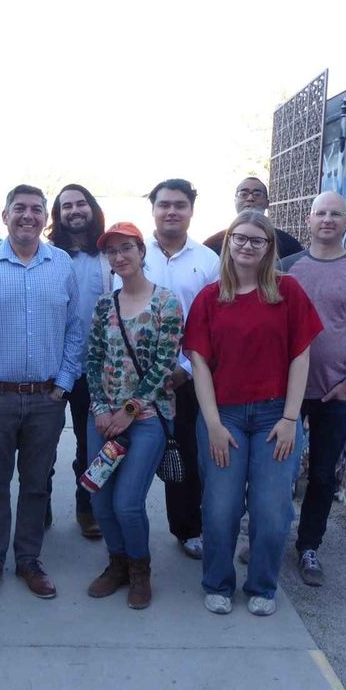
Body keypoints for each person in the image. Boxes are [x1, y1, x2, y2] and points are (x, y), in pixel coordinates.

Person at [186, 210, 323, 617]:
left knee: (271, 508)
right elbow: (198, 363)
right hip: (223, 416)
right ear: (228, 244)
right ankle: (218, 583)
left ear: (268, 248)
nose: (246, 246)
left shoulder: (288, 292)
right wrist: (211, 422)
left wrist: (290, 419)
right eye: (239, 239)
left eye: (256, 240)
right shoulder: (209, 298)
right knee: (221, 506)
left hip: (274, 418)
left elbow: (301, 356)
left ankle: (262, 585)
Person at [0, 184, 81, 602]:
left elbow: (75, 331)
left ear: (46, 217)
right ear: (5, 214)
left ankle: (28, 560)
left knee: (36, 485)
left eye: (36, 209)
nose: (28, 216)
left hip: (46, 399)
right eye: (19, 208)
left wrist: (63, 384)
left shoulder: (61, 264)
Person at [279, 191, 346, 587]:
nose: (327, 219)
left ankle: (309, 548)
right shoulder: (286, 268)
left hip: (333, 394)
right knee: (275, 473)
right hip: (285, 392)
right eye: (320, 213)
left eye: (335, 214)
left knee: (322, 475)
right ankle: (265, 538)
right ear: (308, 220)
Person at [118, 178, 219, 560]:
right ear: (154, 209)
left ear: (192, 210)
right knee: (129, 452)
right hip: (134, 376)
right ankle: (123, 531)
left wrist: (184, 370)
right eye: (164, 204)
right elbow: (119, 312)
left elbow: (212, 323)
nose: (171, 211)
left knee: (186, 455)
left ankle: (187, 528)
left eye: (180, 204)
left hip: (189, 375)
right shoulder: (133, 254)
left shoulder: (208, 261)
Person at [85, 223, 182, 609]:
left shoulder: (166, 303)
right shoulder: (104, 305)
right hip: (106, 417)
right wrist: (100, 408)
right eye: (112, 251)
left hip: (146, 419)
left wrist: (127, 411)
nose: (120, 256)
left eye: (127, 248)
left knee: (127, 501)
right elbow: (93, 360)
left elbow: (164, 365)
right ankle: (118, 563)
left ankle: (140, 570)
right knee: (99, 499)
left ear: (142, 252)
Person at [45, 183, 109, 538]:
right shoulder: (47, 254)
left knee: (92, 447)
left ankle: (89, 508)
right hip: (53, 367)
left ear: (92, 208)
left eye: (80, 203)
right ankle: (40, 507)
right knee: (43, 445)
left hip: (95, 370)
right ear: (58, 214)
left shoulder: (107, 254)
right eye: (66, 205)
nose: (74, 210)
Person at [203, 177, 303, 258]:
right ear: (235, 201)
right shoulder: (211, 245)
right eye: (243, 194)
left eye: (257, 194)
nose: (250, 198)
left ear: (267, 203)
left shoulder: (289, 245)